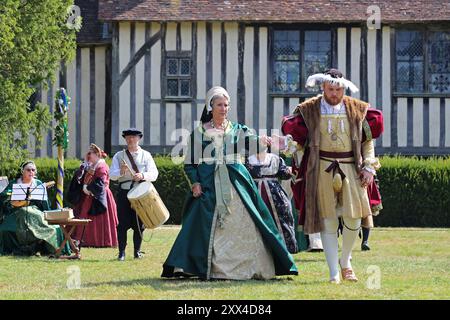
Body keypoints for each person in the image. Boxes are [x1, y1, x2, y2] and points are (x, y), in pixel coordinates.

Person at [162, 86, 298, 280]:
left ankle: (248, 266)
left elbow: (252, 142)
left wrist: (263, 140)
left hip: (237, 179)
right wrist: (195, 183)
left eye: (226, 105)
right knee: (199, 222)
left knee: (250, 220)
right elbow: (190, 163)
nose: (224, 108)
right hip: (209, 182)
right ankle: (202, 266)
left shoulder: (237, 129)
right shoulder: (199, 132)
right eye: (219, 104)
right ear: (211, 107)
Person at [281, 69, 383, 283]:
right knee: (327, 220)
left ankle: (346, 262)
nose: (334, 93)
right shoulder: (308, 110)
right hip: (321, 168)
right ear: (323, 87)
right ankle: (333, 272)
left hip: (351, 168)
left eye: (338, 89)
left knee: (353, 217)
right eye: (330, 89)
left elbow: (367, 142)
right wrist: (290, 146)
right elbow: (299, 141)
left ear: (344, 88)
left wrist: (369, 168)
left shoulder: (358, 110)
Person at [0, 161, 70, 256]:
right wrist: (14, 196)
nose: (31, 172)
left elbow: (45, 204)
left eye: (33, 170)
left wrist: (38, 194)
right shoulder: (14, 183)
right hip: (16, 213)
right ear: (22, 171)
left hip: (35, 212)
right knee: (6, 229)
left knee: (54, 228)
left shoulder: (38, 184)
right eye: (28, 170)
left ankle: (51, 248)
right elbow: (4, 196)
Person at [110, 128, 159, 261]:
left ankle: (137, 252)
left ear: (139, 138)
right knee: (122, 225)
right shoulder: (118, 156)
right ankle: (121, 253)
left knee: (139, 224)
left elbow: (154, 174)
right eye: (128, 137)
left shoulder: (146, 155)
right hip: (124, 193)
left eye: (133, 137)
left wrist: (142, 175)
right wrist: (120, 172)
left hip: (141, 194)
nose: (131, 139)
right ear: (125, 139)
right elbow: (111, 175)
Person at [245, 149, 298, 254]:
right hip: (255, 194)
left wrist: (290, 171)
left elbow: (284, 174)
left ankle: (284, 248)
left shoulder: (275, 159)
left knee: (281, 217)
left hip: (275, 195)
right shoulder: (247, 161)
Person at [67, 143, 118, 247]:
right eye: (89, 153)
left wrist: (88, 188)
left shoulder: (102, 166)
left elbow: (101, 182)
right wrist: (84, 164)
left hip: (101, 195)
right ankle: (81, 239)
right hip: (89, 195)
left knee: (98, 219)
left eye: (91, 154)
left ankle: (98, 241)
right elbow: (80, 177)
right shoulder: (91, 165)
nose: (89, 155)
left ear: (97, 155)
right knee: (84, 215)